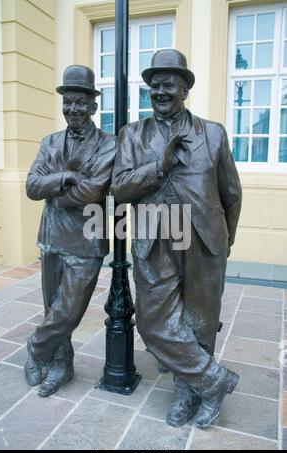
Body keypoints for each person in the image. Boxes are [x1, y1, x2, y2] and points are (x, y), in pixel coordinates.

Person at [111, 49, 242, 428]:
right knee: (153, 323)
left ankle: (188, 392)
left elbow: (230, 193)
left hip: (204, 240)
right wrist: (159, 166)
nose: (160, 91)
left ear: (185, 89)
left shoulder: (213, 133)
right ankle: (214, 381)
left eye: (169, 84)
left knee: (200, 321)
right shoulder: (133, 135)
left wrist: (224, 242)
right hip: (154, 239)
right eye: (154, 86)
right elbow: (119, 189)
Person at [24, 65, 116, 397]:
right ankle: (62, 367)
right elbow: (32, 187)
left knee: (69, 310)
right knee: (54, 309)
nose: (73, 109)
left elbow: (92, 191)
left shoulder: (109, 145)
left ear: (93, 106)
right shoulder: (49, 143)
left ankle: (36, 347)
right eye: (68, 102)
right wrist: (64, 178)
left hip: (87, 239)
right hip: (51, 237)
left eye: (80, 103)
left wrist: (60, 197)